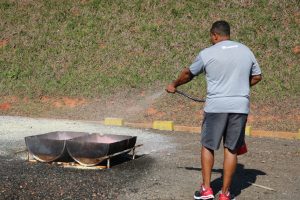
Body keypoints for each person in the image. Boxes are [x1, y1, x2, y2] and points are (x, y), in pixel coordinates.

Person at [166, 20, 262, 200]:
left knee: (208, 146)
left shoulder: (207, 53)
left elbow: (188, 73)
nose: (211, 39)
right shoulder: (246, 50)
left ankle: (207, 190)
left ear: (215, 35)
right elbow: (257, 76)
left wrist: (174, 84)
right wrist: (239, 87)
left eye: (211, 36)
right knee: (231, 149)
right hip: (239, 107)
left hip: (216, 108)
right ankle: (225, 194)